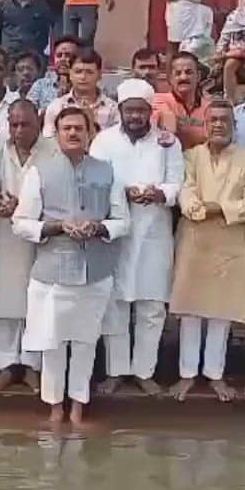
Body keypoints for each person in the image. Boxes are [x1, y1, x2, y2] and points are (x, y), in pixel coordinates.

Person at [12, 106, 131, 423]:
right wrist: (58, 227)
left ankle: (78, 407)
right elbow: (21, 223)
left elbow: (123, 222)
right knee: (52, 343)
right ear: (57, 133)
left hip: (95, 272)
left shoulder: (107, 171)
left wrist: (98, 227)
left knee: (85, 342)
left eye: (80, 128)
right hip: (52, 273)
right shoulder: (39, 171)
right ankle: (54, 407)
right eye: (67, 128)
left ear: (90, 132)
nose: (74, 133)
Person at [168, 100, 245, 401]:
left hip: (229, 241)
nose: (219, 125)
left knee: (221, 313)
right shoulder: (190, 156)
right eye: (213, 120)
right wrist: (197, 208)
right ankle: (187, 375)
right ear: (205, 125)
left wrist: (219, 208)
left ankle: (214, 375)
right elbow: (184, 189)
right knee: (190, 311)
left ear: (234, 126)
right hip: (195, 239)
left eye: (226, 120)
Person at [91, 79, 184, 397]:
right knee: (114, 304)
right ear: (120, 110)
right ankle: (116, 371)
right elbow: (94, 180)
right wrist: (124, 192)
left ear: (150, 112)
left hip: (154, 231)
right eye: (129, 110)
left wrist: (161, 193)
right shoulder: (103, 142)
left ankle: (144, 371)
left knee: (152, 305)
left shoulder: (167, 143)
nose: (135, 117)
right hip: (115, 231)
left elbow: (178, 183)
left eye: (141, 111)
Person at [0, 100, 52, 393]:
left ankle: (32, 366)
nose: (19, 130)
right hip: (3, 233)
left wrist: (25, 207)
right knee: (3, 299)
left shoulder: (52, 151)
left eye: (26, 124)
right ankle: (6, 365)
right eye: (14, 124)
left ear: (38, 122)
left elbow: (58, 190)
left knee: (36, 301)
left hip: (38, 234)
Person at [42, 48, 118, 138]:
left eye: (89, 72)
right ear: (70, 73)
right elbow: (49, 140)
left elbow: (116, 144)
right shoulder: (56, 106)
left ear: (99, 74)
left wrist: (91, 124)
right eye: (78, 72)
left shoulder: (113, 108)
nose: (83, 77)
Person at [152, 51, 212, 149]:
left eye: (189, 72)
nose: (183, 77)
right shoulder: (159, 100)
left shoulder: (210, 107)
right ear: (170, 78)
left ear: (199, 76)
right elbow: (169, 132)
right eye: (178, 73)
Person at [25, 36, 80, 110]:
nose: (62, 59)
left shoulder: (85, 85)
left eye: (68, 55)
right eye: (59, 55)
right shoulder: (41, 85)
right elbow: (29, 115)